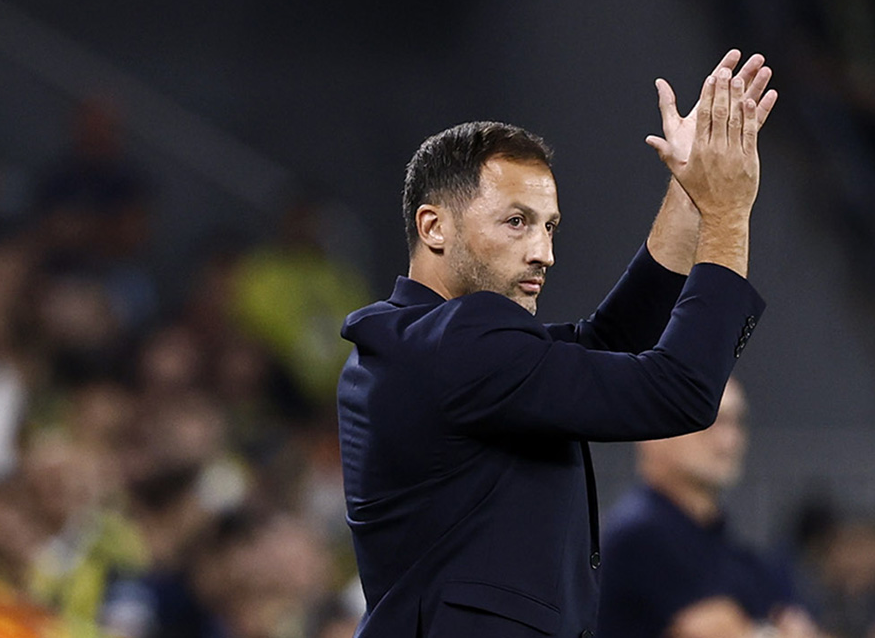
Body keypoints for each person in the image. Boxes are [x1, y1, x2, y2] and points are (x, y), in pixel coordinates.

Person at [337, 48, 778, 637]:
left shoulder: (425, 347)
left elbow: (607, 344)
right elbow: (679, 392)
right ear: (433, 226)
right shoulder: (455, 344)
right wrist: (726, 214)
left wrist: (691, 192)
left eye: (549, 226)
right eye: (516, 221)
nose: (543, 252)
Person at [597, 377, 814, 638]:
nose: (729, 441)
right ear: (654, 431)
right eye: (708, 421)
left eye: (737, 422)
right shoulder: (639, 535)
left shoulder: (723, 544)